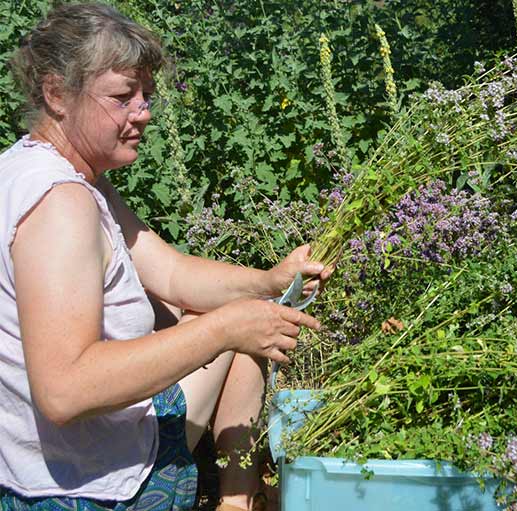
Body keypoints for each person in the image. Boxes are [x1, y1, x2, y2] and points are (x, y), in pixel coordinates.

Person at [0, 3, 331, 510]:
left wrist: (271, 280)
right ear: (56, 93)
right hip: (89, 490)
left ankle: (234, 502)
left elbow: (171, 272)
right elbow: (65, 390)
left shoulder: (50, 172)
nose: (144, 113)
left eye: (146, 96)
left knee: (222, 320)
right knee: (226, 331)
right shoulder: (59, 205)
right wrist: (223, 330)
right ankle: (239, 499)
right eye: (122, 96)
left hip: (56, 468)